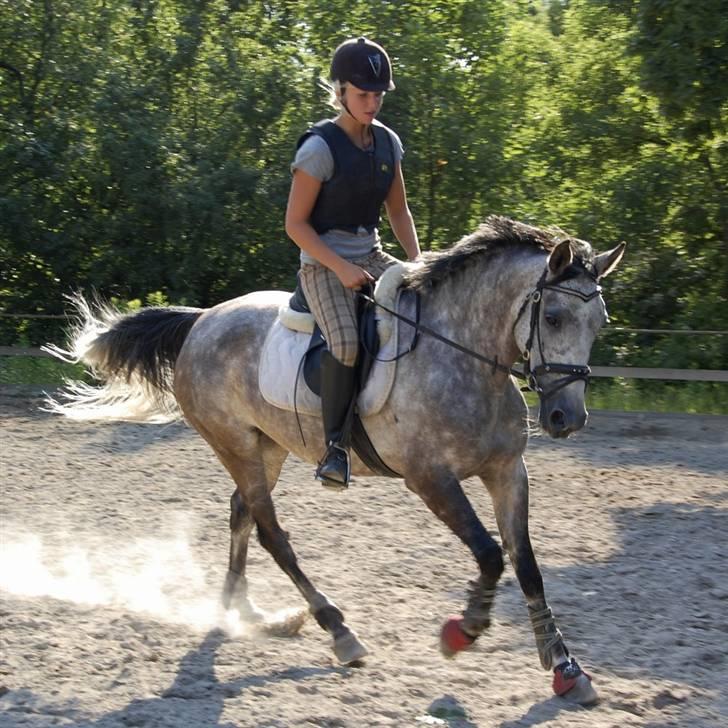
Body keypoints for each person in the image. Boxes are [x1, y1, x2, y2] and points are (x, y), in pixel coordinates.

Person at [285, 36, 421, 489]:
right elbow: (296, 225)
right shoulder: (319, 149)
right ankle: (335, 449)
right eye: (363, 94)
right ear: (341, 90)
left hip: (371, 252)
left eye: (378, 94)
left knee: (428, 312)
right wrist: (340, 268)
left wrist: (419, 265)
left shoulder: (388, 144)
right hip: (322, 263)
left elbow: (398, 211)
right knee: (344, 344)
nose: (372, 102)